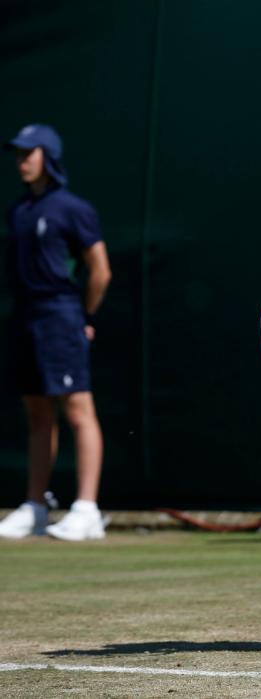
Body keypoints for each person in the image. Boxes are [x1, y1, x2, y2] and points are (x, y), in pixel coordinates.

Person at [0, 124, 111, 541]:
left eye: (30, 152)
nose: (21, 160)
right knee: (37, 412)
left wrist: (83, 314)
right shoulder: (18, 210)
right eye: (18, 153)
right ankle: (35, 506)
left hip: (61, 313)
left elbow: (100, 269)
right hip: (25, 316)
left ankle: (87, 509)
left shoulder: (72, 208)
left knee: (77, 408)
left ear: (49, 156)